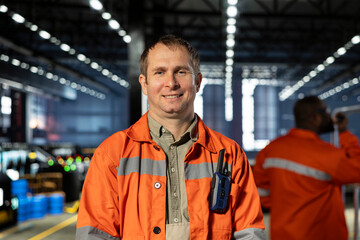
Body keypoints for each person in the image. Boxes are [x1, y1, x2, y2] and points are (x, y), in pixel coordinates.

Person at [76, 35, 266, 240]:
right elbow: (95, 234)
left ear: (198, 81)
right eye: (159, 72)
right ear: (144, 84)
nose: (171, 83)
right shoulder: (112, 153)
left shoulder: (229, 154)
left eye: (181, 72)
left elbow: (250, 233)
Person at [253, 95, 360, 240]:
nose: (329, 117)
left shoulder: (271, 150)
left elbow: (260, 190)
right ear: (316, 118)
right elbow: (357, 170)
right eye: (326, 112)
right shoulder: (326, 154)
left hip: (283, 234)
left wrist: (284, 209)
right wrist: (344, 133)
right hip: (318, 235)